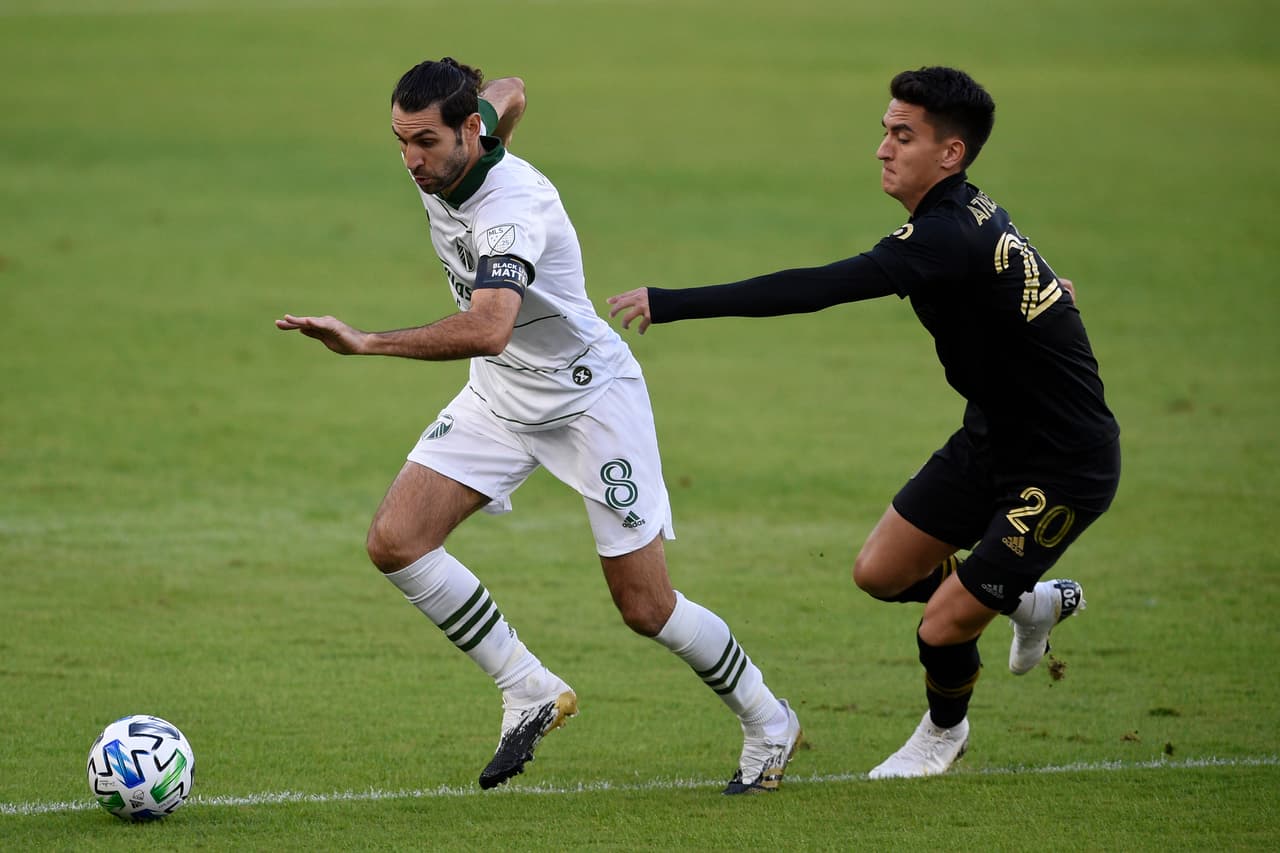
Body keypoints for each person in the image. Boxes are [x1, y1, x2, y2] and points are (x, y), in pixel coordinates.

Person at [276, 58, 801, 793]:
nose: (411, 161)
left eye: (424, 141)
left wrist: (365, 341)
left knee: (645, 605)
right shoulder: (460, 143)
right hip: (500, 396)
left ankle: (769, 718)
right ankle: (527, 687)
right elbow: (511, 87)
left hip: (589, 400)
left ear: (463, 132)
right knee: (396, 541)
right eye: (400, 141)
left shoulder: (514, 207)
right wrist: (491, 118)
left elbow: (490, 327)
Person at [608, 66, 1120, 779]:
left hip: (1065, 464)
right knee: (880, 571)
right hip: (992, 438)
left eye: (902, 135)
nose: (882, 147)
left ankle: (943, 732)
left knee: (941, 624)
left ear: (951, 154)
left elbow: (817, 289)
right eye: (884, 130)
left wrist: (674, 300)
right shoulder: (963, 214)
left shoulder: (944, 237)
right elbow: (1039, 288)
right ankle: (1027, 599)